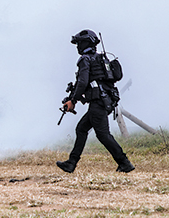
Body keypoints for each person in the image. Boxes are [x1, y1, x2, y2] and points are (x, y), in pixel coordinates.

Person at [57, 30, 134, 173]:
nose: (78, 47)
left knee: (103, 134)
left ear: (85, 43)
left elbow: (83, 82)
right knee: (81, 129)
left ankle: (124, 163)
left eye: (79, 43)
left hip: (98, 103)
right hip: (106, 101)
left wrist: (73, 100)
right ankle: (71, 163)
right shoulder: (101, 59)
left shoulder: (85, 59)